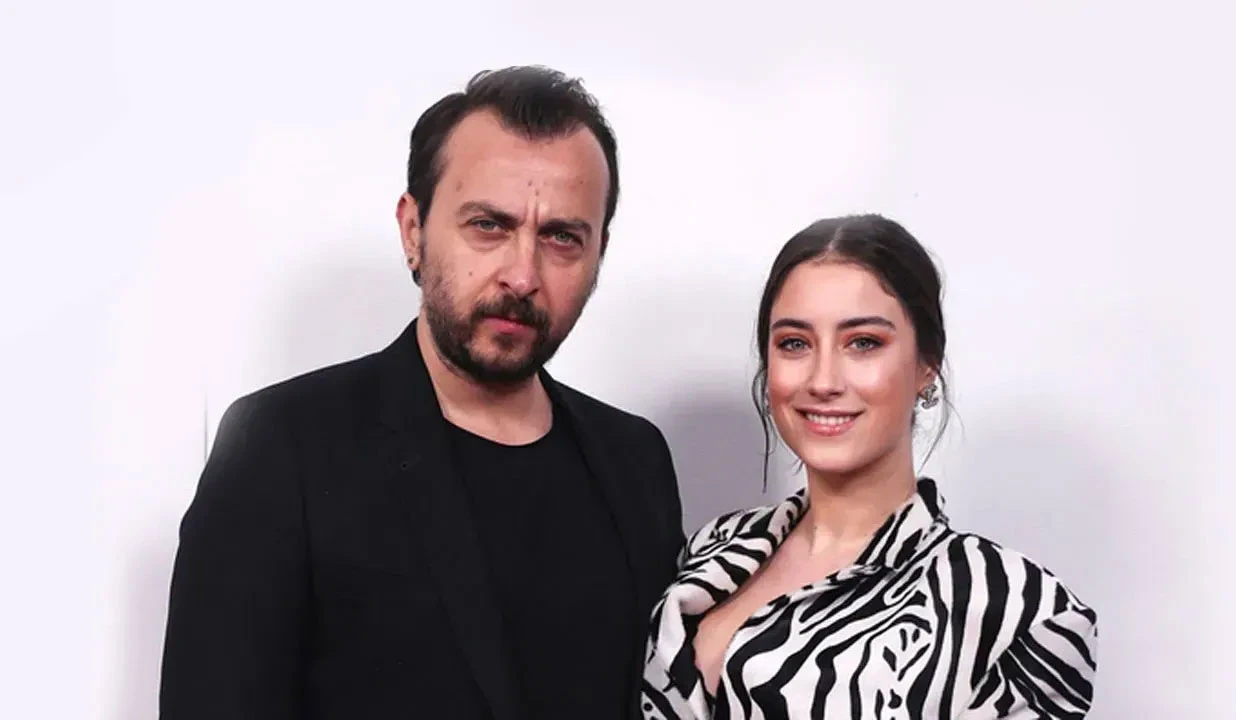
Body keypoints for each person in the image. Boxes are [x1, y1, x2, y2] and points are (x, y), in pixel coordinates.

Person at [159, 66, 685, 720]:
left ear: (598, 253)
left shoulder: (635, 459)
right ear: (414, 231)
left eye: (561, 237)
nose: (522, 275)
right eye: (488, 225)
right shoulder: (283, 446)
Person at [640, 214, 1098, 719]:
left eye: (863, 343)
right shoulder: (717, 546)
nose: (823, 381)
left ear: (927, 364)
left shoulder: (1015, 610)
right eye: (795, 343)